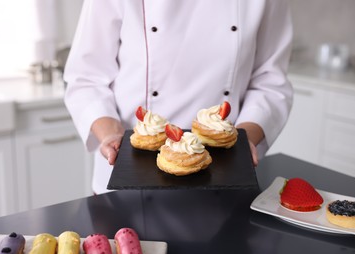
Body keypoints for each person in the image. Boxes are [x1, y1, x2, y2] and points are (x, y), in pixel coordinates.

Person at [64, 0, 294, 194]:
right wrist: (110, 134)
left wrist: (244, 141)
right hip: (127, 175)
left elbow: (270, 81)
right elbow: (86, 77)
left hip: (223, 177)